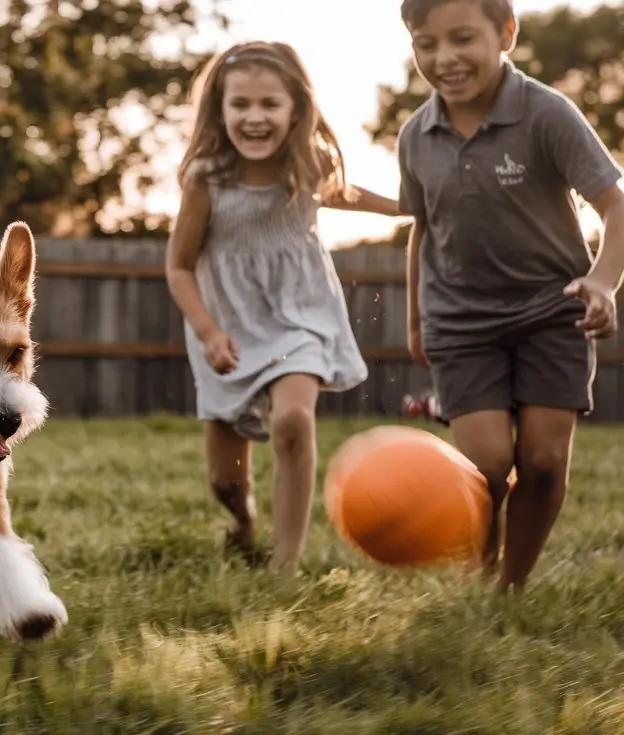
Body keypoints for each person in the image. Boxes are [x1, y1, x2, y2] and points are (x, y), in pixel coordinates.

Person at [396, 0, 624, 591]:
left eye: (463, 39)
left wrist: (601, 281)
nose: (445, 58)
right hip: (460, 323)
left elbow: (615, 204)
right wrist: (416, 318)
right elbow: (423, 228)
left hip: (554, 313)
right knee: (487, 465)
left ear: (506, 34)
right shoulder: (415, 136)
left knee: (543, 465)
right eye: (427, 44)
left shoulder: (547, 114)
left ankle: (509, 589)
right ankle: (481, 567)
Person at [165, 41, 402, 570]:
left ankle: (286, 563)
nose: (254, 117)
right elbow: (178, 268)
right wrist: (207, 332)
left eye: (269, 104)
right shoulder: (207, 180)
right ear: (220, 109)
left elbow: (349, 194)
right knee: (224, 480)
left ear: (296, 108)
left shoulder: (308, 165)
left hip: (301, 318)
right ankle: (245, 520)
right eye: (240, 104)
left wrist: (410, 206)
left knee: (293, 421)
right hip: (225, 328)